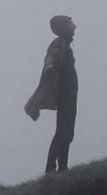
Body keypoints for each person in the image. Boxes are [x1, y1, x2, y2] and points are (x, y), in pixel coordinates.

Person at [23, 15, 78, 173]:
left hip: (70, 94)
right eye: (70, 24)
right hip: (65, 95)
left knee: (67, 132)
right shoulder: (58, 44)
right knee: (63, 132)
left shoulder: (65, 45)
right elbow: (51, 56)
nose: (74, 27)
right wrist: (49, 65)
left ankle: (61, 166)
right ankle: (53, 167)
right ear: (63, 27)